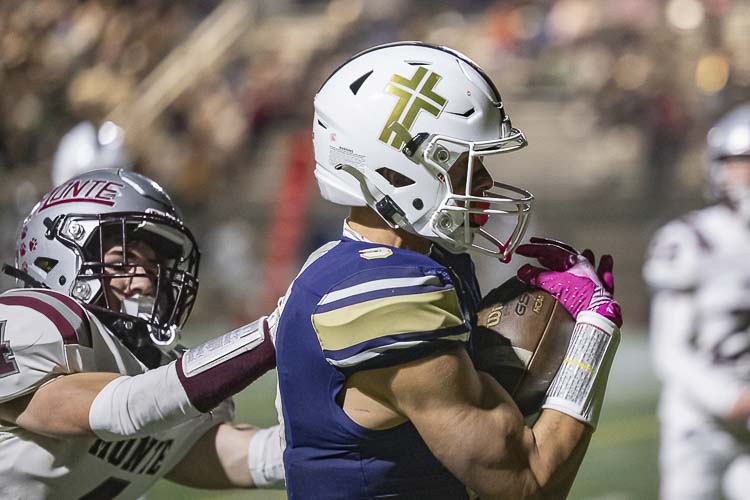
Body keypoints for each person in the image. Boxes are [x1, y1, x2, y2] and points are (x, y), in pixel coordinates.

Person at [272, 42, 623, 499]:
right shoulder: (386, 293)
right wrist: (595, 334)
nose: (486, 184)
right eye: (463, 165)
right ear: (395, 172)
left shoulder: (394, 265)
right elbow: (524, 483)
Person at [0, 168, 284, 498]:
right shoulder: (35, 324)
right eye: (123, 262)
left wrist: (341, 448)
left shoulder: (152, 369)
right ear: (57, 260)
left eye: (154, 268)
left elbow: (228, 455)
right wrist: (272, 334)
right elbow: (118, 409)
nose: (147, 283)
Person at [643, 103, 750, 500]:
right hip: (699, 422)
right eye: (741, 161)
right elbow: (669, 351)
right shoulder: (692, 240)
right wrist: (729, 398)